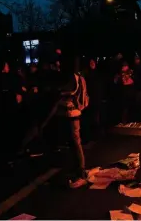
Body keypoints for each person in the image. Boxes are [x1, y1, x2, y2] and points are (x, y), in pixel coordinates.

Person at [55, 55, 88, 188]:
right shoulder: (80, 77)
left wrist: (58, 94)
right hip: (76, 112)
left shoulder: (70, 78)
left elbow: (68, 91)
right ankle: (78, 170)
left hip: (70, 112)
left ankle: (80, 171)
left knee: (74, 142)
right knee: (75, 141)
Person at [83, 59, 103, 141]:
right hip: (89, 98)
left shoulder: (98, 74)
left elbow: (100, 86)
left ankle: (96, 135)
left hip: (96, 98)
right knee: (90, 116)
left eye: (93, 62)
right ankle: (91, 135)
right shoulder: (87, 74)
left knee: (96, 116)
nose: (92, 64)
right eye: (90, 62)